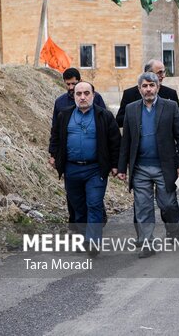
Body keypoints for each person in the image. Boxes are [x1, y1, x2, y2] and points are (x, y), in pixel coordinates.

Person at [117, 72, 179, 258]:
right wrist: (122, 167)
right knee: (143, 206)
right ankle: (147, 243)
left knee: (167, 204)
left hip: (164, 166)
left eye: (151, 85)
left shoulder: (170, 106)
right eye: (144, 86)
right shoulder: (132, 109)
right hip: (140, 167)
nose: (148, 89)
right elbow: (126, 141)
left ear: (157, 87)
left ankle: (173, 231)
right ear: (139, 88)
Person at [49, 81, 120, 257]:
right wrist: (53, 154)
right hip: (71, 169)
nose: (82, 97)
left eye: (86, 93)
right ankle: (83, 239)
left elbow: (115, 141)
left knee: (94, 203)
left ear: (93, 95)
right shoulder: (64, 115)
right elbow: (55, 136)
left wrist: (115, 164)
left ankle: (93, 242)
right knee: (78, 207)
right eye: (79, 94)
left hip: (95, 168)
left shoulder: (104, 116)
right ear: (73, 96)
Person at [49, 67, 107, 230]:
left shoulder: (95, 99)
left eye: (74, 84)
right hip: (71, 163)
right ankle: (77, 226)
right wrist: (53, 154)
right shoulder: (60, 103)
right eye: (68, 84)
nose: (71, 88)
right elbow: (55, 130)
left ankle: (95, 227)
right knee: (75, 199)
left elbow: (105, 125)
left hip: (94, 163)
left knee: (94, 198)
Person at [115, 59, 179, 128]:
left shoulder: (171, 93)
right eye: (160, 72)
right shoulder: (130, 94)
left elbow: (178, 120)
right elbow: (119, 121)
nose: (163, 76)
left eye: (164, 72)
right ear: (148, 73)